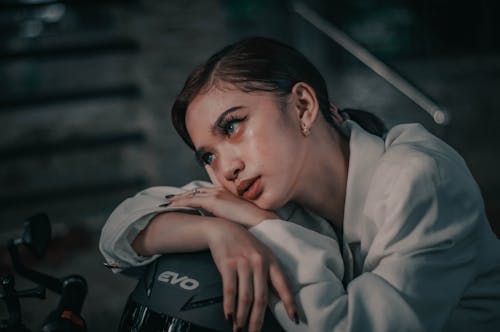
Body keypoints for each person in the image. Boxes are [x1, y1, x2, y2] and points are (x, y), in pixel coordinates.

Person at [99, 37, 500, 332]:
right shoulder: (280, 189)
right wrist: (215, 229)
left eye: (233, 127)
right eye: (208, 156)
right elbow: (120, 230)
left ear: (304, 107)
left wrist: (261, 227)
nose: (226, 169)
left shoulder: (420, 178)